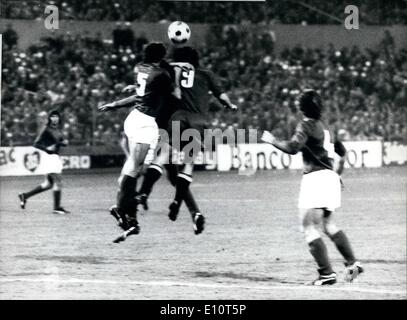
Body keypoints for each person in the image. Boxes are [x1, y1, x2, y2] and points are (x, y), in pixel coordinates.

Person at [261, 89, 363, 285]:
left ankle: (326, 274)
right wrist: (336, 177)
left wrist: (272, 140)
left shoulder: (306, 125)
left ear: (302, 108)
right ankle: (352, 264)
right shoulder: (325, 128)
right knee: (329, 225)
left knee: (308, 227)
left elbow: (292, 148)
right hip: (330, 177)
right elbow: (329, 155)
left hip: (315, 179)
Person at [149, 46, 237, 234]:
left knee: (161, 168)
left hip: (168, 124)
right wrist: (229, 104)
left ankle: (135, 202)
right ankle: (194, 213)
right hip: (194, 124)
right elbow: (221, 95)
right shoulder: (204, 74)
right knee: (181, 169)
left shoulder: (170, 73)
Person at [98, 42, 176, 242]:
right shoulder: (162, 74)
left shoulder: (140, 68)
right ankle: (122, 210)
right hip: (145, 123)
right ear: (161, 56)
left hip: (134, 119)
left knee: (133, 169)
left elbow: (141, 93)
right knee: (135, 170)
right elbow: (175, 95)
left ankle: (126, 215)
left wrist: (115, 104)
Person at [18, 109, 70, 214]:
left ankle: (25, 196)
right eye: (53, 116)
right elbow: (36, 143)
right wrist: (47, 149)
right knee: (58, 181)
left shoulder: (57, 130)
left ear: (59, 118)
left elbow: (59, 142)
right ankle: (57, 207)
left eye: (56, 116)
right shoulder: (46, 129)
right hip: (49, 157)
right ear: (49, 118)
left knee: (48, 184)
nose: (55, 118)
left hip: (55, 157)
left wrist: (64, 143)